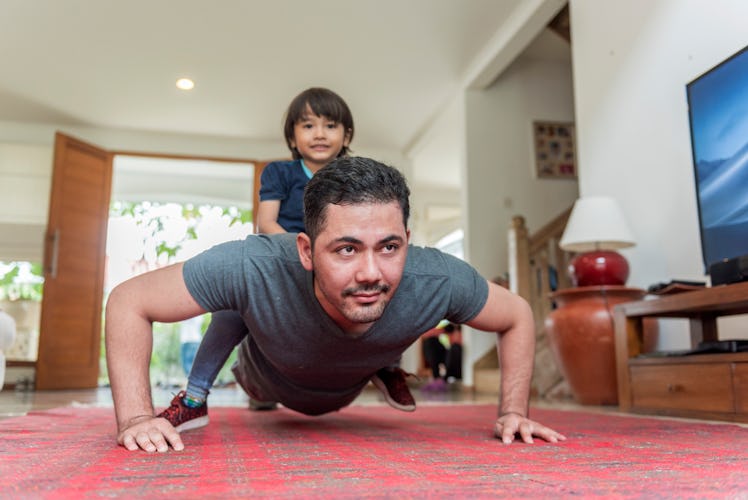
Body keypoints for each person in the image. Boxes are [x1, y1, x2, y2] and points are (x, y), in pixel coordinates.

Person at [105, 156, 567, 453]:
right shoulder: (252, 262)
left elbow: (517, 315)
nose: (370, 271)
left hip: (347, 385)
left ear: (407, 239)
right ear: (305, 250)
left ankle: (382, 363)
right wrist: (137, 418)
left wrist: (513, 411)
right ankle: (197, 396)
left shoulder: (438, 277)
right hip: (268, 382)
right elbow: (129, 300)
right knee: (237, 300)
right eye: (346, 249)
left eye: (389, 247)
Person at [156, 88, 414, 433]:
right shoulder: (279, 173)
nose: (319, 133)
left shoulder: (356, 178)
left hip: (343, 261)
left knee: (391, 289)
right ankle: (195, 396)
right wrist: (305, 252)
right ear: (292, 134)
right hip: (283, 255)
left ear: (347, 135)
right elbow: (266, 222)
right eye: (308, 125)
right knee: (231, 310)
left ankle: (387, 367)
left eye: (330, 125)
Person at [421, 321, 462, 392]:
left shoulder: (464, 330)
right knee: (430, 341)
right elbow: (425, 335)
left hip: (460, 364)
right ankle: (437, 378)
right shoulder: (449, 328)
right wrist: (444, 330)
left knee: (455, 347)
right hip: (448, 360)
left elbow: (456, 342)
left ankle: (443, 379)